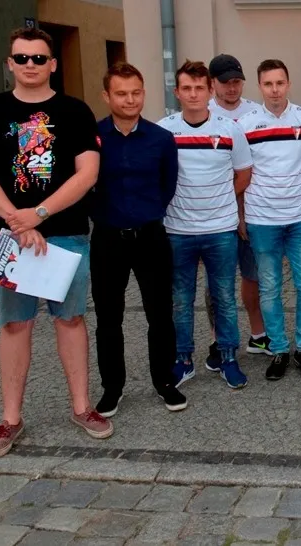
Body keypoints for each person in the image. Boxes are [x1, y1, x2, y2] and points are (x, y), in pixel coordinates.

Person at [0, 27, 111, 458]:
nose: (30, 65)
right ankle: (10, 418)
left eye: (39, 58)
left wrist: (39, 214)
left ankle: (82, 407)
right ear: (10, 63)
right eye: (22, 58)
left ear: (53, 64)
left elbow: (87, 173)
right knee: (14, 324)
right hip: (9, 238)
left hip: (66, 233)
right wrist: (18, 219)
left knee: (71, 319)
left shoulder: (75, 111)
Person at [91, 62, 187, 417]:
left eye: (136, 93)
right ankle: (112, 388)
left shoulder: (161, 138)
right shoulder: (92, 138)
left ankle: (165, 381)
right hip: (107, 239)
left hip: (151, 237)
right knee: (108, 317)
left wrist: (147, 212)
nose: (130, 100)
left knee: (160, 314)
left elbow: (168, 185)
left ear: (143, 93)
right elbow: (83, 184)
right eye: (121, 93)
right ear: (107, 96)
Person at [159, 60, 253, 390]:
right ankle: (183, 360)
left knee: (223, 297)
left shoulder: (230, 129)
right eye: (187, 88)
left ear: (210, 90)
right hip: (178, 231)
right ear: (177, 92)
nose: (193, 94)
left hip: (221, 230)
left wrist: (221, 199)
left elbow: (244, 173)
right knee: (181, 300)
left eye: (199, 88)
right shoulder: (164, 131)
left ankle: (228, 357)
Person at [239, 59, 301, 381]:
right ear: (259, 86)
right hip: (262, 219)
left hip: (300, 217)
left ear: (288, 84)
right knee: (270, 288)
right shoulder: (246, 124)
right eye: (268, 84)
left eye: (280, 83)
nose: (274, 90)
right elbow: (241, 171)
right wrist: (242, 215)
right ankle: (279, 349)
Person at [204, 53, 270, 365]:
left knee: (253, 276)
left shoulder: (255, 112)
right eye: (225, 83)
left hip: (250, 207)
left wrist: (243, 211)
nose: (232, 88)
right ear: (212, 84)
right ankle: (218, 340)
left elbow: (254, 167)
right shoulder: (203, 113)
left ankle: (259, 335)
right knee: (217, 281)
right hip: (215, 214)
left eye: (237, 82)